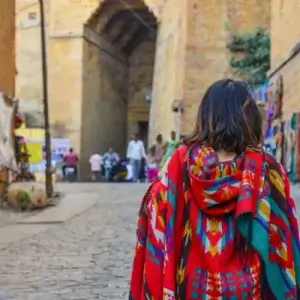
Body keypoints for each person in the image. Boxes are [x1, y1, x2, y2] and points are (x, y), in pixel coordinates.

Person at [129, 79, 300, 299]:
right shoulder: (267, 169)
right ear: (250, 118)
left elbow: (155, 223)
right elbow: (284, 239)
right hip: (250, 289)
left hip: (189, 287)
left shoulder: (178, 167)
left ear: (205, 117)